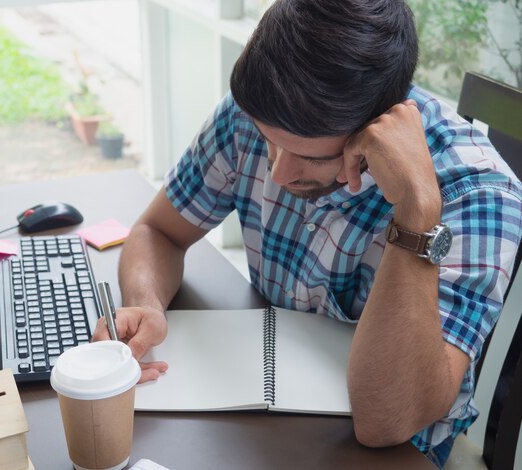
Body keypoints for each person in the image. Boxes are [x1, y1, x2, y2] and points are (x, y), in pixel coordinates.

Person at [92, 0, 522, 467]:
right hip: (263, 415)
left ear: (377, 126)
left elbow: (389, 423)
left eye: (311, 157)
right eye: (270, 142)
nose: (279, 171)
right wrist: (145, 303)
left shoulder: (478, 195)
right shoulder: (259, 113)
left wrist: (416, 214)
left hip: (390, 451)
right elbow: (159, 230)